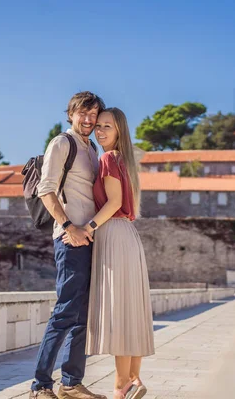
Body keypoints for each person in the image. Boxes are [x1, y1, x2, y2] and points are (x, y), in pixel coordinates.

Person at [63, 108, 154, 399]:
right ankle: (134, 379)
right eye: (98, 126)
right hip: (128, 235)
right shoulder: (125, 160)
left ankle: (120, 384)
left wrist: (88, 227)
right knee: (131, 309)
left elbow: (113, 202)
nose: (100, 131)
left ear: (119, 132)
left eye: (107, 127)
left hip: (113, 234)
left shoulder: (107, 158)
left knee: (119, 312)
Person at [30, 91, 108, 399]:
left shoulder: (92, 148)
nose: (89, 119)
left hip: (89, 239)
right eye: (83, 114)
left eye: (94, 114)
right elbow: (45, 189)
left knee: (82, 316)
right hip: (69, 238)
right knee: (64, 312)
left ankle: (71, 384)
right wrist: (68, 227)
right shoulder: (62, 143)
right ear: (71, 114)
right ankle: (40, 386)